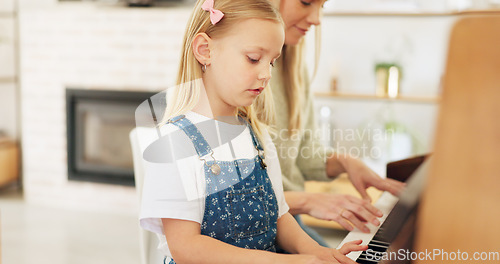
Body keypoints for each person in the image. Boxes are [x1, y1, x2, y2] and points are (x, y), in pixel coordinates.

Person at [138, 0, 367, 263]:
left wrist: (320, 253)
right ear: (204, 50)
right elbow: (186, 247)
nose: (266, 74)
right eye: (254, 59)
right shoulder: (175, 144)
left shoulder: (258, 138)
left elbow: (281, 218)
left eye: (272, 62)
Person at [262, 0, 407, 246]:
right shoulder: (239, 76)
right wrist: (307, 201)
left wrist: (347, 162)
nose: (317, 19)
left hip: (289, 222)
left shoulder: (293, 66)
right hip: (258, 230)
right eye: (306, 2)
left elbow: (305, 159)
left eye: (322, 6)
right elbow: (229, 199)